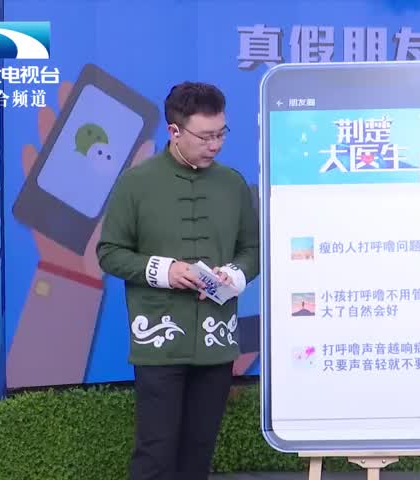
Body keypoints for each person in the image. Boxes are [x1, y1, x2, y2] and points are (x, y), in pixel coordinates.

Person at [96, 81, 259, 480]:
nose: (215, 145)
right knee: (155, 450)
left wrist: (233, 275)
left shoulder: (233, 184)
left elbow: (252, 250)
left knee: (199, 450)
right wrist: (163, 271)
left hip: (216, 342)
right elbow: (109, 252)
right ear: (174, 130)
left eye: (221, 133)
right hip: (159, 342)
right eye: (205, 136)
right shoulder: (136, 183)